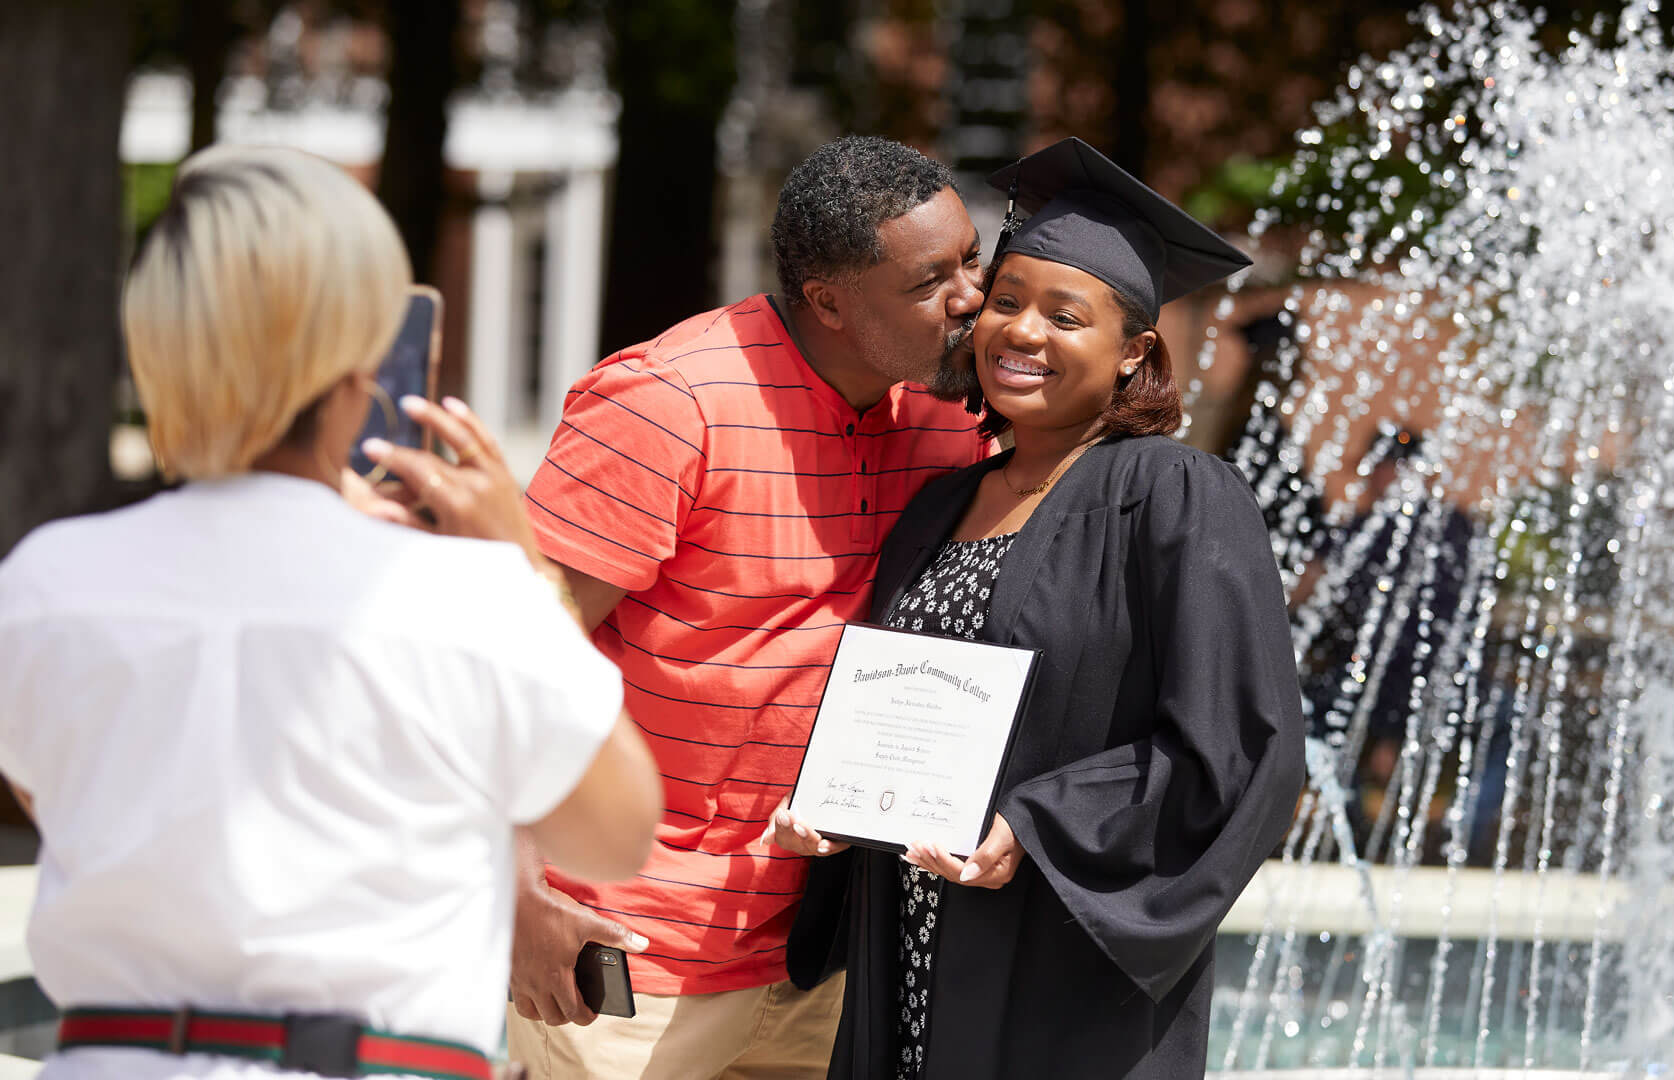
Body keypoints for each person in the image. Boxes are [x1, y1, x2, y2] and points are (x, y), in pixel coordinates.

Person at [0, 146, 662, 1080]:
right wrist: (522, 564)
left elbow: (53, 791)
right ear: (362, 365)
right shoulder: (460, 596)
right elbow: (617, 832)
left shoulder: (46, 583)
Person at [774, 137, 1308, 1079]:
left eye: (1067, 316)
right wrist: (837, 800)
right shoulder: (943, 503)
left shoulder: (1176, 495)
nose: (1021, 332)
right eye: (1007, 301)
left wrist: (1037, 824)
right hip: (908, 939)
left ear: (1135, 348)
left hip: (1060, 959)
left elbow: (1239, 749)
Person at [505, 136, 987, 1079]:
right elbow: (513, 662)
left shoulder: (947, 419)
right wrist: (516, 894)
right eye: (932, 279)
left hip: (825, 951)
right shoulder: (667, 403)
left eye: (972, 258)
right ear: (830, 302)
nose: (970, 295)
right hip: (628, 947)